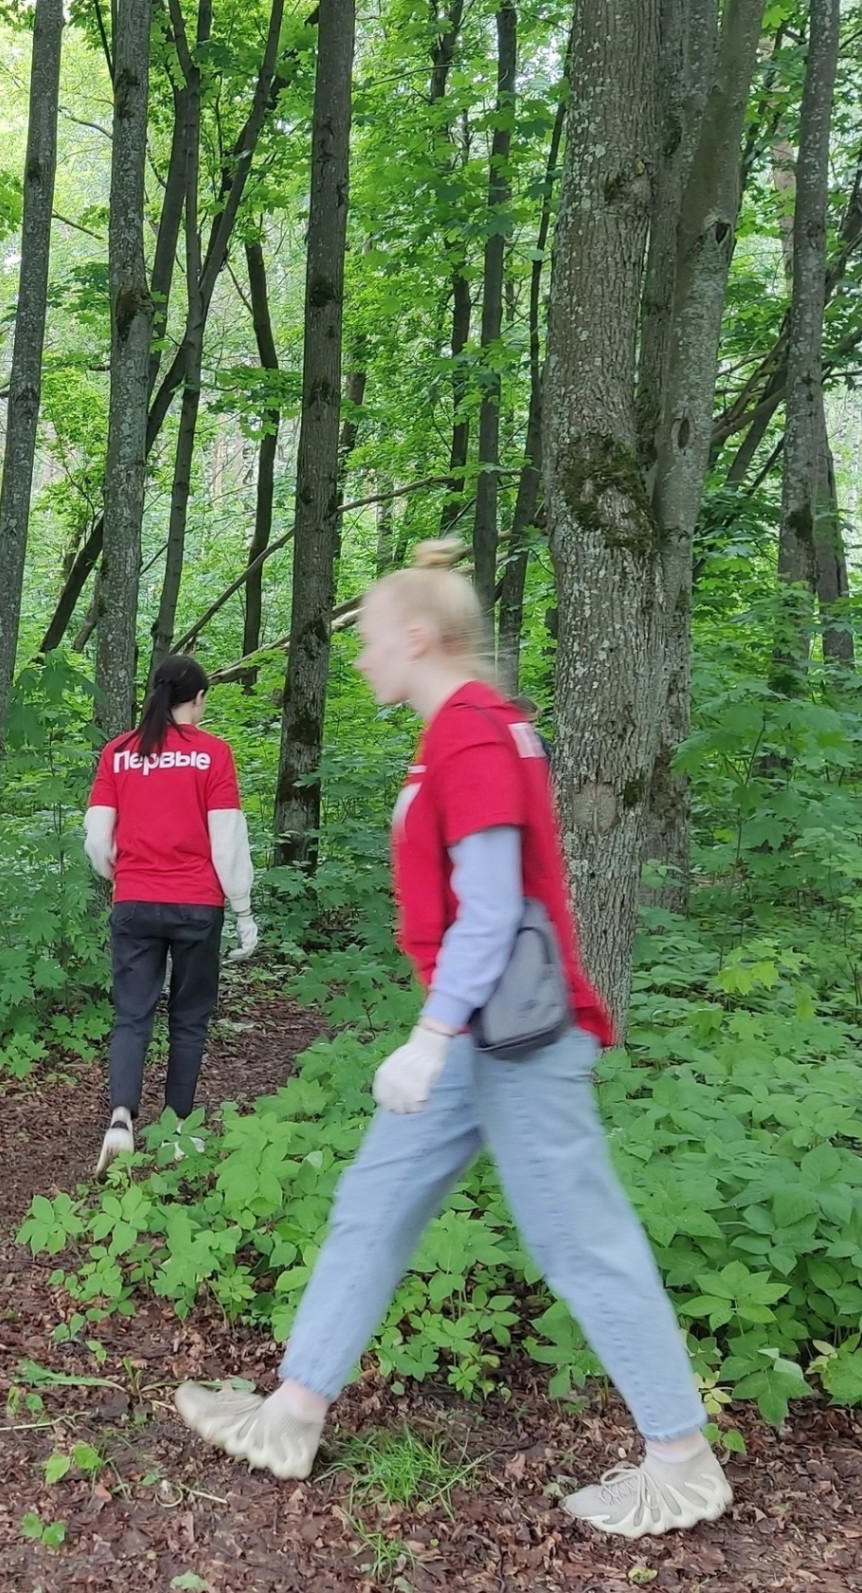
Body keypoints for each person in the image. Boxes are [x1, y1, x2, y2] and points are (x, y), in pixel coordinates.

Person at [173, 542, 729, 1539]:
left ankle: (682, 1460)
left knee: (580, 1241)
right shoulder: (466, 731)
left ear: (420, 638)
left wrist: (430, 1035)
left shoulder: (470, 733)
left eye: (371, 638)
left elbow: (492, 905)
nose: (359, 659)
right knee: (374, 1204)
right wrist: (443, 1036)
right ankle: (293, 1413)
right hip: (479, 1033)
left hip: (509, 1037)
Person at [84, 655, 257, 1174]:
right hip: (197, 905)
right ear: (199, 699)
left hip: (135, 900)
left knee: (132, 1014)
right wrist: (244, 909)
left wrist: (120, 876)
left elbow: (96, 838)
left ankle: (120, 1119)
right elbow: (226, 841)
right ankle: (178, 1129)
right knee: (189, 1019)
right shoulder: (213, 754)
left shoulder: (118, 752)